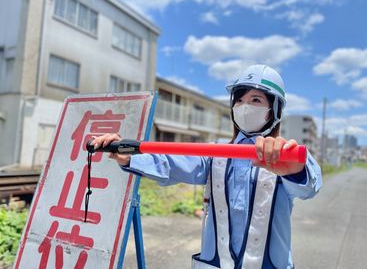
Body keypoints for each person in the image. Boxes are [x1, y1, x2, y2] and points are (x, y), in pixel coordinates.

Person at [91, 64, 322, 269]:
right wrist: (127, 154)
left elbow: (310, 185)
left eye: (255, 100)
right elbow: (171, 161)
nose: (244, 107)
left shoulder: (284, 154)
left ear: (275, 110)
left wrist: (296, 170)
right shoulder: (215, 153)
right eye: (239, 100)